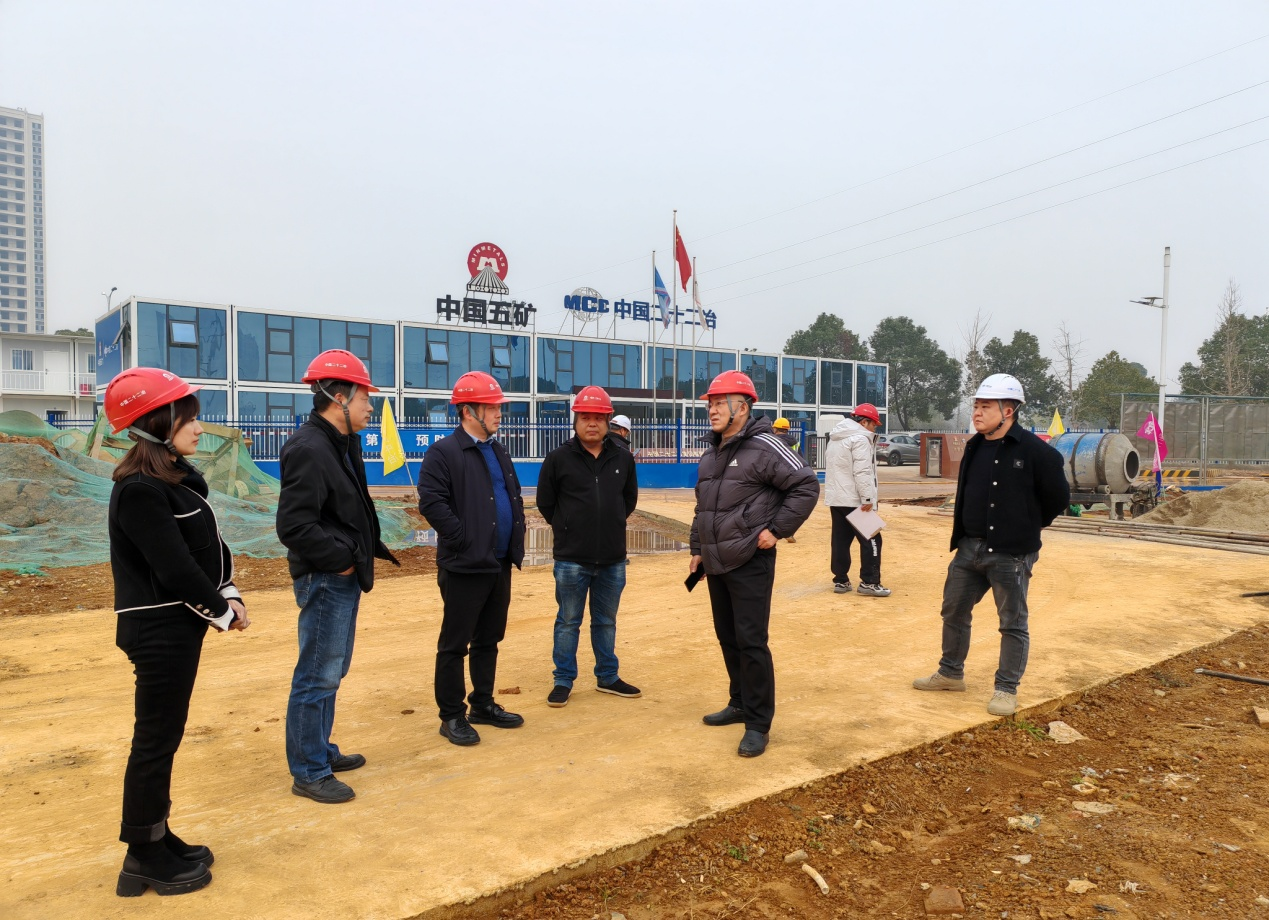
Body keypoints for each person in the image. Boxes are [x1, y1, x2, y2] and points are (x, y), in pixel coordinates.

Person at [106, 368, 250, 897]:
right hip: (158, 630)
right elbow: (174, 568)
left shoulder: (171, 483)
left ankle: (157, 836)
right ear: (157, 423)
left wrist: (228, 591)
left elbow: (206, 550)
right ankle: (142, 858)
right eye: (188, 417)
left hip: (177, 627)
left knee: (164, 737)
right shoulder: (139, 491)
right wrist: (222, 610)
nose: (198, 426)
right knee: (154, 741)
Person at [277, 349, 399, 804]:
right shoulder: (310, 448)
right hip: (327, 577)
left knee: (332, 669)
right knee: (317, 673)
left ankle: (320, 750)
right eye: (366, 398)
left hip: (340, 575)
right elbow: (294, 526)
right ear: (339, 397)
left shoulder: (339, 443)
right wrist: (341, 559)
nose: (371, 407)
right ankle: (309, 770)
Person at [912, 374, 1069, 716]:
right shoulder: (974, 446)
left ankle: (1006, 689)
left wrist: (1026, 526)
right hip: (969, 548)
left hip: (1010, 554)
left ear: (1008, 410)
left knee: (1012, 622)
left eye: (985, 406)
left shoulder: (1037, 452)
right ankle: (950, 674)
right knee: (953, 610)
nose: (977, 413)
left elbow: (1058, 499)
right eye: (976, 406)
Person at [689, 371, 819, 757]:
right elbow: (703, 507)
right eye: (710, 403)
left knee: (751, 641)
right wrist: (697, 548)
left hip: (749, 559)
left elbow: (806, 485)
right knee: (728, 637)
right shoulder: (711, 453)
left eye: (720, 403)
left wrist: (777, 530)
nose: (712, 410)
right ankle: (740, 702)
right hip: (716, 560)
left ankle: (758, 723)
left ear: (742, 408)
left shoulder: (766, 446)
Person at [418, 371, 526, 746]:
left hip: (498, 562)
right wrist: (463, 538)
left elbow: (511, 497)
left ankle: (482, 704)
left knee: (489, 639)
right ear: (467, 411)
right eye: (491, 407)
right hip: (464, 565)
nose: (498, 413)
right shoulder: (444, 453)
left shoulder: (498, 451)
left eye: (498, 407)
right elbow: (432, 503)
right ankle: (451, 715)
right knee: (455, 643)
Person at [537, 386, 641, 708]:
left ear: (608, 421)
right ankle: (563, 680)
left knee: (606, 621)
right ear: (576, 421)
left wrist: (610, 523)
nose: (592, 423)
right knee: (568, 621)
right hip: (572, 559)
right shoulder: (558, 458)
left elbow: (628, 500)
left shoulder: (623, 458)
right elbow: (546, 502)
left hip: (612, 558)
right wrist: (568, 527)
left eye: (598, 417)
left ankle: (607, 676)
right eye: (585, 417)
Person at [824, 403, 889, 596]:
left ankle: (841, 580)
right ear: (864, 422)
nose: (874, 428)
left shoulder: (835, 439)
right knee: (873, 539)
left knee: (840, 540)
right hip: (855, 499)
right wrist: (867, 497)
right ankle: (870, 582)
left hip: (837, 498)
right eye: (874, 424)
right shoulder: (860, 439)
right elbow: (862, 471)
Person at [771, 418, 804, 542]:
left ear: (775, 429)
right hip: (791, 477)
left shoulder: (773, 441)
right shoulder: (795, 442)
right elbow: (800, 459)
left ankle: (772, 531)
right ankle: (789, 532)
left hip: (775, 476)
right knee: (789, 505)